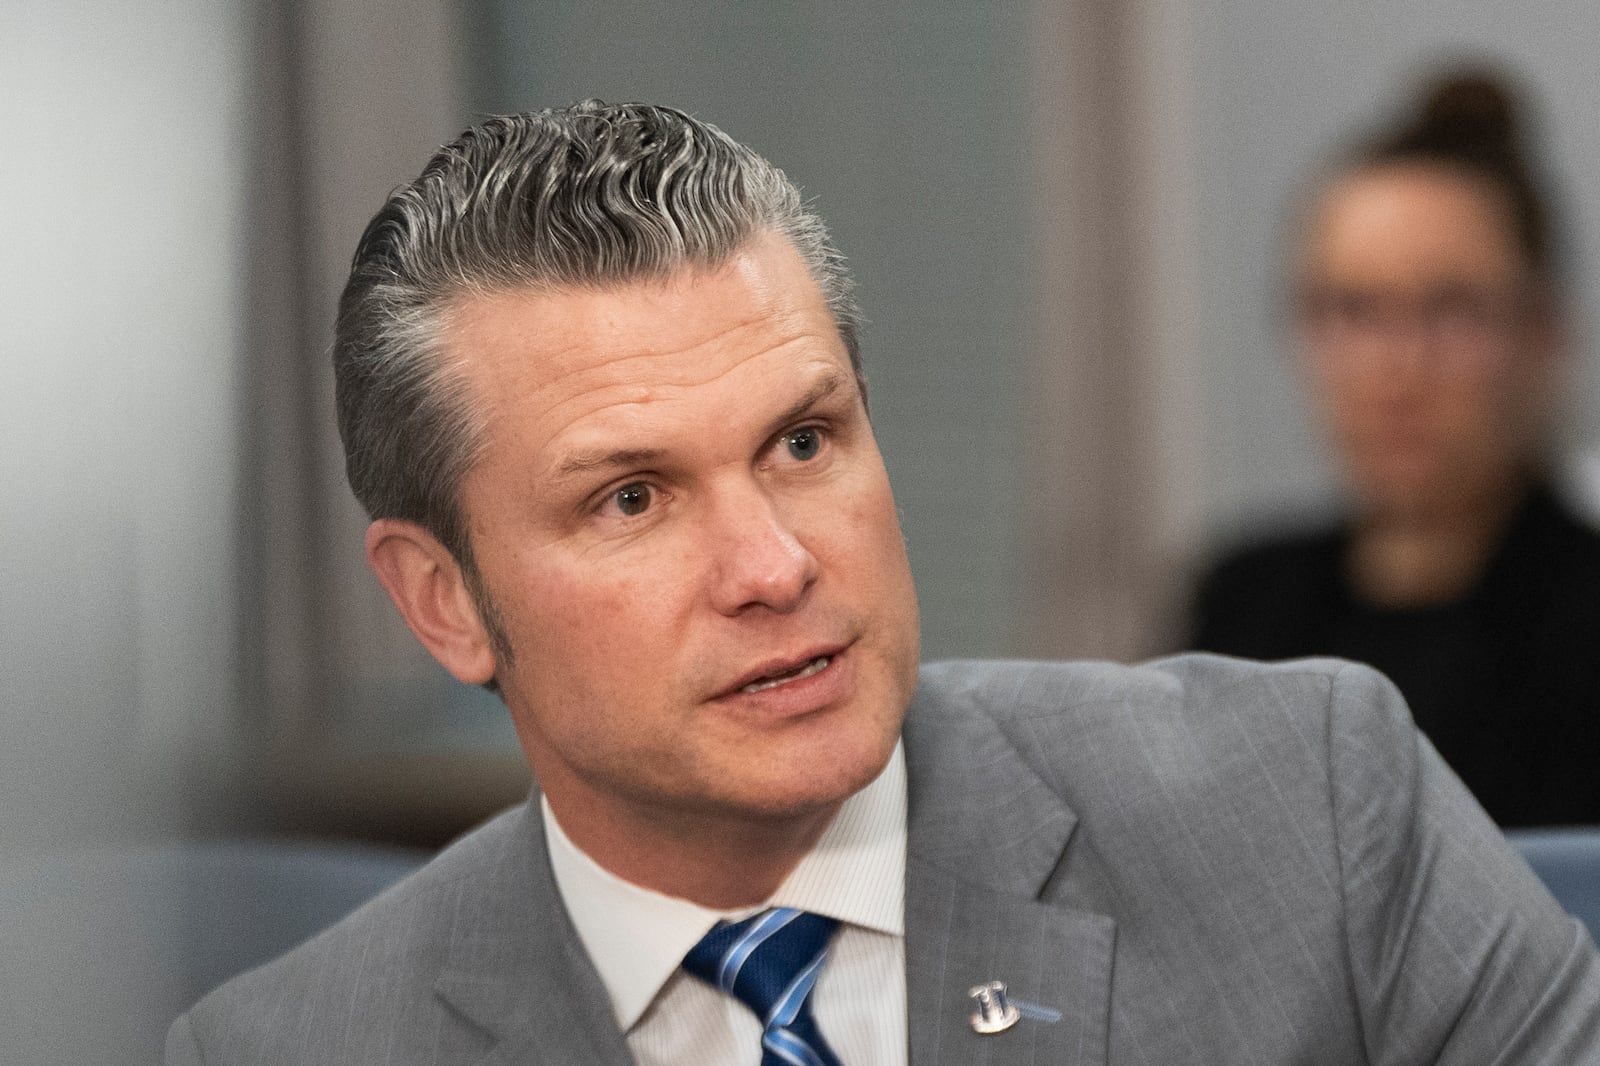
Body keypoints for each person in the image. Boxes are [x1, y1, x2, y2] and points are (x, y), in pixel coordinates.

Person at [168, 101, 1600, 1065]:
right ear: (444, 600)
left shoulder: (1310, 808)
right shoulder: (281, 1044)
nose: (776, 564)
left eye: (803, 440)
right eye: (632, 496)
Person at [1188, 66, 1600, 829]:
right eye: (1354, 311)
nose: (1397, 368)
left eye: (1452, 311)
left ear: (1544, 335)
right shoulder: (1242, 605)